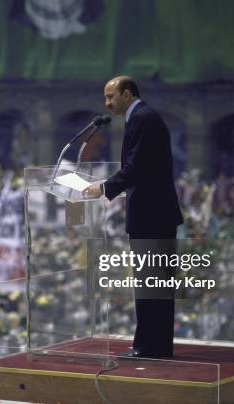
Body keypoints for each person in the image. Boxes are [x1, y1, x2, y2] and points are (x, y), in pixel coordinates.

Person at [84, 76, 183, 358]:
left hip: (152, 215)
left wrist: (104, 188)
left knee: (151, 284)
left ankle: (149, 348)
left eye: (111, 96)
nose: (106, 103)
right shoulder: (142, 117)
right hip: (155, 213)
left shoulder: (142, 118)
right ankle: (156, 346)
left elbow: (136, 167)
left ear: (127, 94)